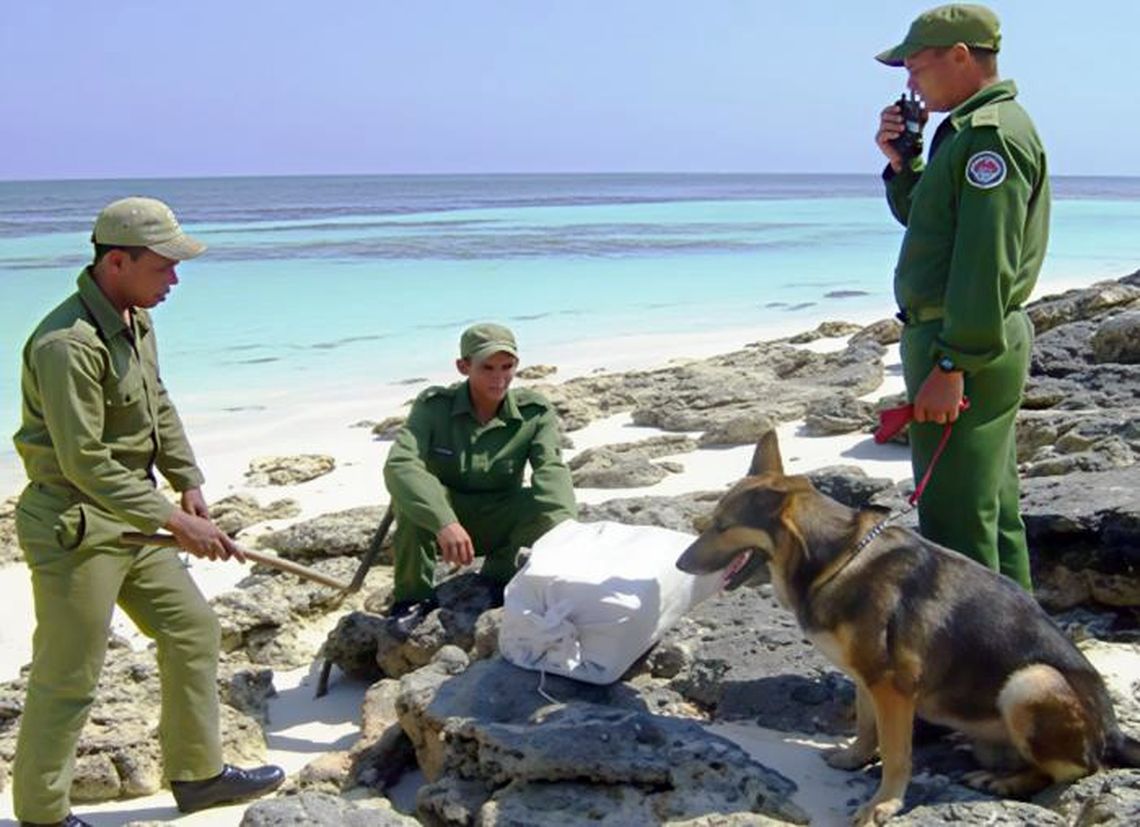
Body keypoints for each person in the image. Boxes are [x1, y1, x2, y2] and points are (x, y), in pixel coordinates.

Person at [11, 197, 284, 826]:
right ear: (116, 262)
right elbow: (84, 462)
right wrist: (175, 521)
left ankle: (198, 776)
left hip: (136, 517)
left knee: (193, 631)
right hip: (77, 525)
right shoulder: (65, 345)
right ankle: (41, 814)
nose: (175, 280)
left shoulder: (133, 316)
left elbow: (157, 401)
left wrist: (186, 480)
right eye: (163, 267)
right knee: (69, 673)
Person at [875, 4, 1049, 591]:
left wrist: (952, 363)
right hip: (971, 336)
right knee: (991, 513)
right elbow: (930, 223)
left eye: (916, 66)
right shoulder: (970, 130)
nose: (910, 82)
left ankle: (976, 674)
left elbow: (984, 262)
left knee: (954, 525)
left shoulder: (988, 136)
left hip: (964, 340)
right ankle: (1025, 655)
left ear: (959, 56)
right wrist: (905, 162)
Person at [383, 323, 578, 617]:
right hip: (442, 527)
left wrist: (568, 530)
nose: (499, 379)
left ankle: (498, 577)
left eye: (506, 367)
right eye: (487, 368)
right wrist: (444, 522)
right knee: (409, 498)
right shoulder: (433, 407)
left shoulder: (533, 412)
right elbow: (401, 464)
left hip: (498, 519)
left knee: (546, 508)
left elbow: (551, 470)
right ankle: (412, 598)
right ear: (463, 366)